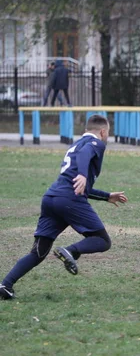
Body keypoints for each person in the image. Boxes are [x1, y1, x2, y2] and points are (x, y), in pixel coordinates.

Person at [0, 115, 128, 300]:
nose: (107, 137)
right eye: (107, 133)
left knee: (38, 252)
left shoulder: (75, 145)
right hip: (69, 200)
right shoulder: (96, 144)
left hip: (51, 198)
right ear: (102, 132)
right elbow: (83, 166)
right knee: (102, 240)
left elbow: (77, 183)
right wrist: (83, 174)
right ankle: (71, 251)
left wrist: (106, 196)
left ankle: (5, 284)